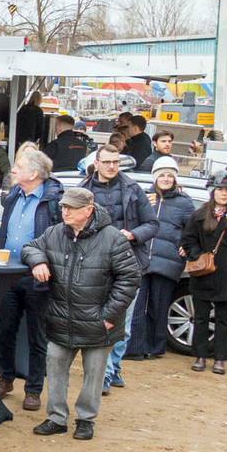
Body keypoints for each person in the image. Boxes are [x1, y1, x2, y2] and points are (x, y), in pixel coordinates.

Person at [21, 187, 141, 440]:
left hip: (98, 321)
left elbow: (129, 278)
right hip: (60, 317)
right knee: (54, 366)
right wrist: (38, 261)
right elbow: (30, 247)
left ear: (88, 210)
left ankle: (85, 419)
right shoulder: (54, 233)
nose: (65, 212)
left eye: (71, 208)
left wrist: (108, 315)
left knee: (94, 373)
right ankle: (56, 417)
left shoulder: (112, 238)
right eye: (64, 207)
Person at [83, 145, 156, 393]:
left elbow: (152, 224)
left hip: (128, 265)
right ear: (97, 162)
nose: (112, 166)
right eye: (107, 162)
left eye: (115, 162)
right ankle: (108, 371)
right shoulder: (84, 190)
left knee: (120, 324)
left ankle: (108, 373)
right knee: (99, 323)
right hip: (94, 266)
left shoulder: (133, 190)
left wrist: (133, 235)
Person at [0, 149, 62, 410]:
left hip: (38, 275)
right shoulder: (14, 195)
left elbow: (59, 239)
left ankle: (33, 389)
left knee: (37, 334)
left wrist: (45, 263)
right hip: (8, 273)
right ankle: (6, 378)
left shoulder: (53, 199)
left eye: (18, 167)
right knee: (5, 329)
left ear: (33, 173)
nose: (12, 170)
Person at [180, 173, 227, 373]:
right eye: (220, 190)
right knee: (201, 317)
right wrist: (199, 255)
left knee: (224, 318)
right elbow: (187, 240)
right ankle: (199, 356)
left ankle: (220, 359)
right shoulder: (199, 214)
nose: (224, 194)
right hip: (203, 274)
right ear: (212, 191)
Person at [129, 158, 196, 361]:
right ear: (155, 177)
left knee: (159, 306)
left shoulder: (184, 202)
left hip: (167, 261)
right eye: (162, 175)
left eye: (170, 175)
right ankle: (134, 348)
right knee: (137, 306)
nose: (166, 179)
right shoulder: (143, 197)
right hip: (141, 260)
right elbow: (132, 221)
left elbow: (192, 230)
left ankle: (155, 347)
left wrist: (186, 247)